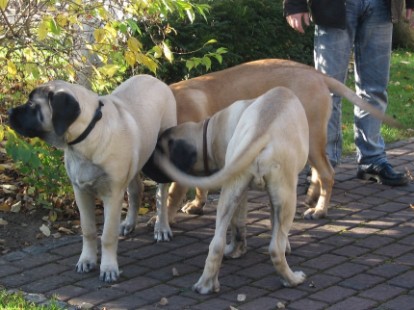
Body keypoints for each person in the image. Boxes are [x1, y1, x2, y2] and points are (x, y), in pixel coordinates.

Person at [283, 0, 413, 186]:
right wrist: (295, 5)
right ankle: (324, 163)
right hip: (334, 6)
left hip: (381, 6)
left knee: (375, 89)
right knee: (327, 92)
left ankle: (372, 159)